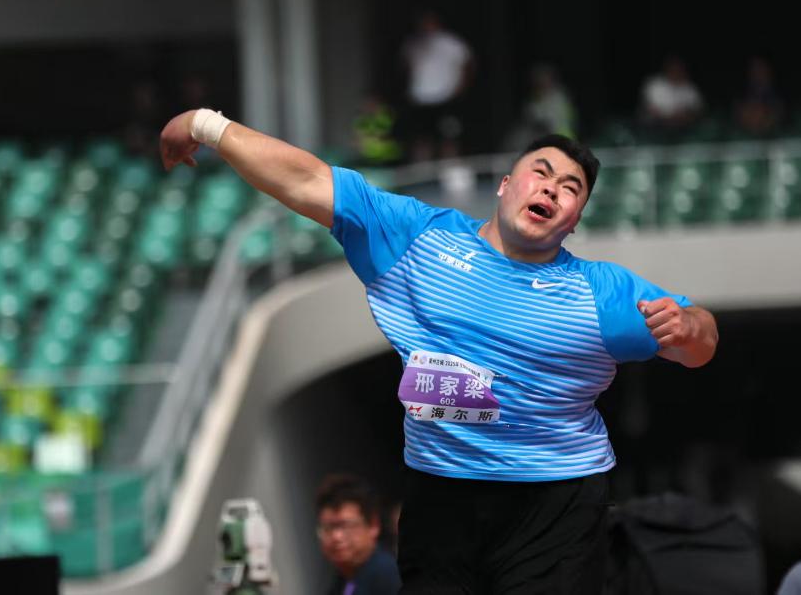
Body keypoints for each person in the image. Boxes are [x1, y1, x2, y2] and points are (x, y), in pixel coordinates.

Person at [159, 107, 719, 594]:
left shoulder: (599, 293)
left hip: (555, 504)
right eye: (541, 173)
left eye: (570, 188)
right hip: (441, 494)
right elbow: (306, 179)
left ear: (573, 221)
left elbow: (700, 344)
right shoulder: (418, 237)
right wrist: (205, 124)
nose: (552, 189)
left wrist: (690, 328)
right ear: (505, 185)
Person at [400, 11, 475, 161]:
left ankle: (449, 166)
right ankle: (422, 169)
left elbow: (467, 64)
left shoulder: (451, 43)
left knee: (449, 135)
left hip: (446, 96)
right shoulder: (412, 44)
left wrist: (460, 88)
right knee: (422, 136)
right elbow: (404, 66)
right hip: (420, 97)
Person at [315, 473, 401, 595]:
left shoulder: (389, 576)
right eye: (328, 528)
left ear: (373, 525)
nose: (336, 536)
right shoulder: (345, 579)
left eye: (346, 526)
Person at [503, 63, 578, 153]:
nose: (540, 82)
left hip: (561, 143)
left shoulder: (559, 97)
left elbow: (548, 122)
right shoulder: (535, 99)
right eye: (537, 79)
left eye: (543, 78)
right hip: (545, 144)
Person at [639, 55, 705, 141]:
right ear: (667, 69)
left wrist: (684, 116)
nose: (676, 71)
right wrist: (670, 117)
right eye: (673, 68)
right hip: (656, 127)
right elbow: (650, 110)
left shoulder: (689, 88)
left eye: (679, 69)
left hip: (684, 128)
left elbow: (698, 110)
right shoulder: (655, 85)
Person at [735, 56, 784, 138]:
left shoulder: (777, 94)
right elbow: (739, 115)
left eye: (761, 68)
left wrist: (764, 122)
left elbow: (777, 114)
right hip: (746, 135)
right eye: (754, 69)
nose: (757, 73)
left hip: (771, 136)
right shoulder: (742, 93)